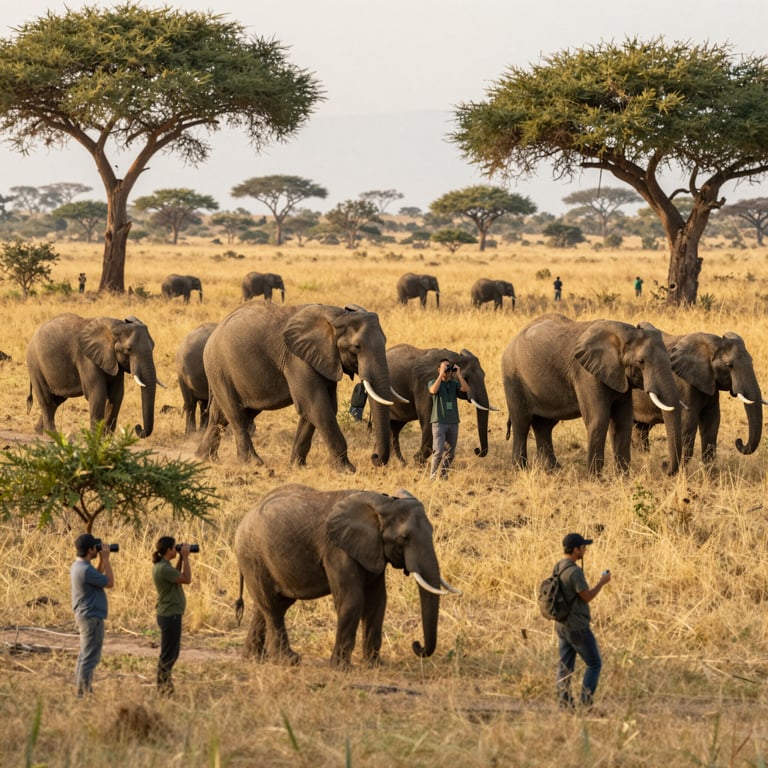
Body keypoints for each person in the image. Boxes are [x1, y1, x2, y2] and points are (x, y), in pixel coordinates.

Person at [554, 532, 611, 711]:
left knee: (565, 667)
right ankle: (586, 705)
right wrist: (602, 582)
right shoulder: (574, 572)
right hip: (577, 626)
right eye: (583, 547)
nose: (585, 550)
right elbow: (586, 597)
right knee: (594, 664)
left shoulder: (559, 566)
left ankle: (565, 704)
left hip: (562, 623)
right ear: (576, 549)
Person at [70, 532, 114, 697]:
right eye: (96, 547)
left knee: (84, 656)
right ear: (90, 550)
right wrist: (107, 560)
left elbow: (96, 577)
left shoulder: (78, 566)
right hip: (91, 618)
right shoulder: (85, 570)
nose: (98, 550)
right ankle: (83, 693)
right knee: (90, 658)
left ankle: (80, 690)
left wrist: (102, 560)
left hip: (84, 615)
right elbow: (109, 582)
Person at [152, 536, 192, 695]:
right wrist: (186, 559)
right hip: (170, 615)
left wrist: (181, 558)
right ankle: (163, 687)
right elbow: (186, 579)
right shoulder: (163, 568)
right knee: (169, 654)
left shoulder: (163, 566)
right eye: (175, 548)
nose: (177, 550)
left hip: (169, 615)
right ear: (168, 551)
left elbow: (176, 575)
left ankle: (165, 685)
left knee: (171, 653)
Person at [427, 358, 469, 479]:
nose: (447, 371)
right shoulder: (433, 382)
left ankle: (443, 475)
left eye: (448, 368)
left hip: (453, 422)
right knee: (438, 451)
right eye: (444, 368)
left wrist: (459, 375)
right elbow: (433, 391)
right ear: (438, 369)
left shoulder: (453, 384)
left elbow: (466, 389)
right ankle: (433, 476)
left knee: (450, 453)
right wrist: (441, 375)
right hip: (439, 422)